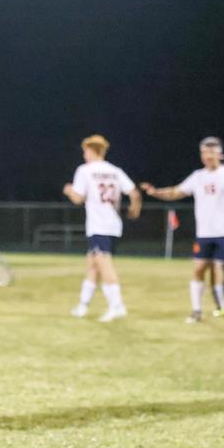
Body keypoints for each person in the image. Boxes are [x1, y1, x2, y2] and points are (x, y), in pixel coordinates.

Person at [141, 137, 224, 325]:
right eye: (205, 152)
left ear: (220, 154)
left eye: (212, 152)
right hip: (204, 234)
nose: (208, 156)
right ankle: (196, 311)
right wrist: (155, 192)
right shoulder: (197, 177)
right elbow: (176, 192)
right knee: (198, 269)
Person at [62, 134, 141, 322]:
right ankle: (83, 305)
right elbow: (135, 193)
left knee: (104, 265)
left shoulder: (85, 170)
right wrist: (134, 210)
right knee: (93, 265)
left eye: (85, 151)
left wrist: (69, 191)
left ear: (92, 151)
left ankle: (117, 306)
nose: (84, 155)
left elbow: (78, 198)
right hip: (113, 225)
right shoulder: (115, 170)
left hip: (98, 225)